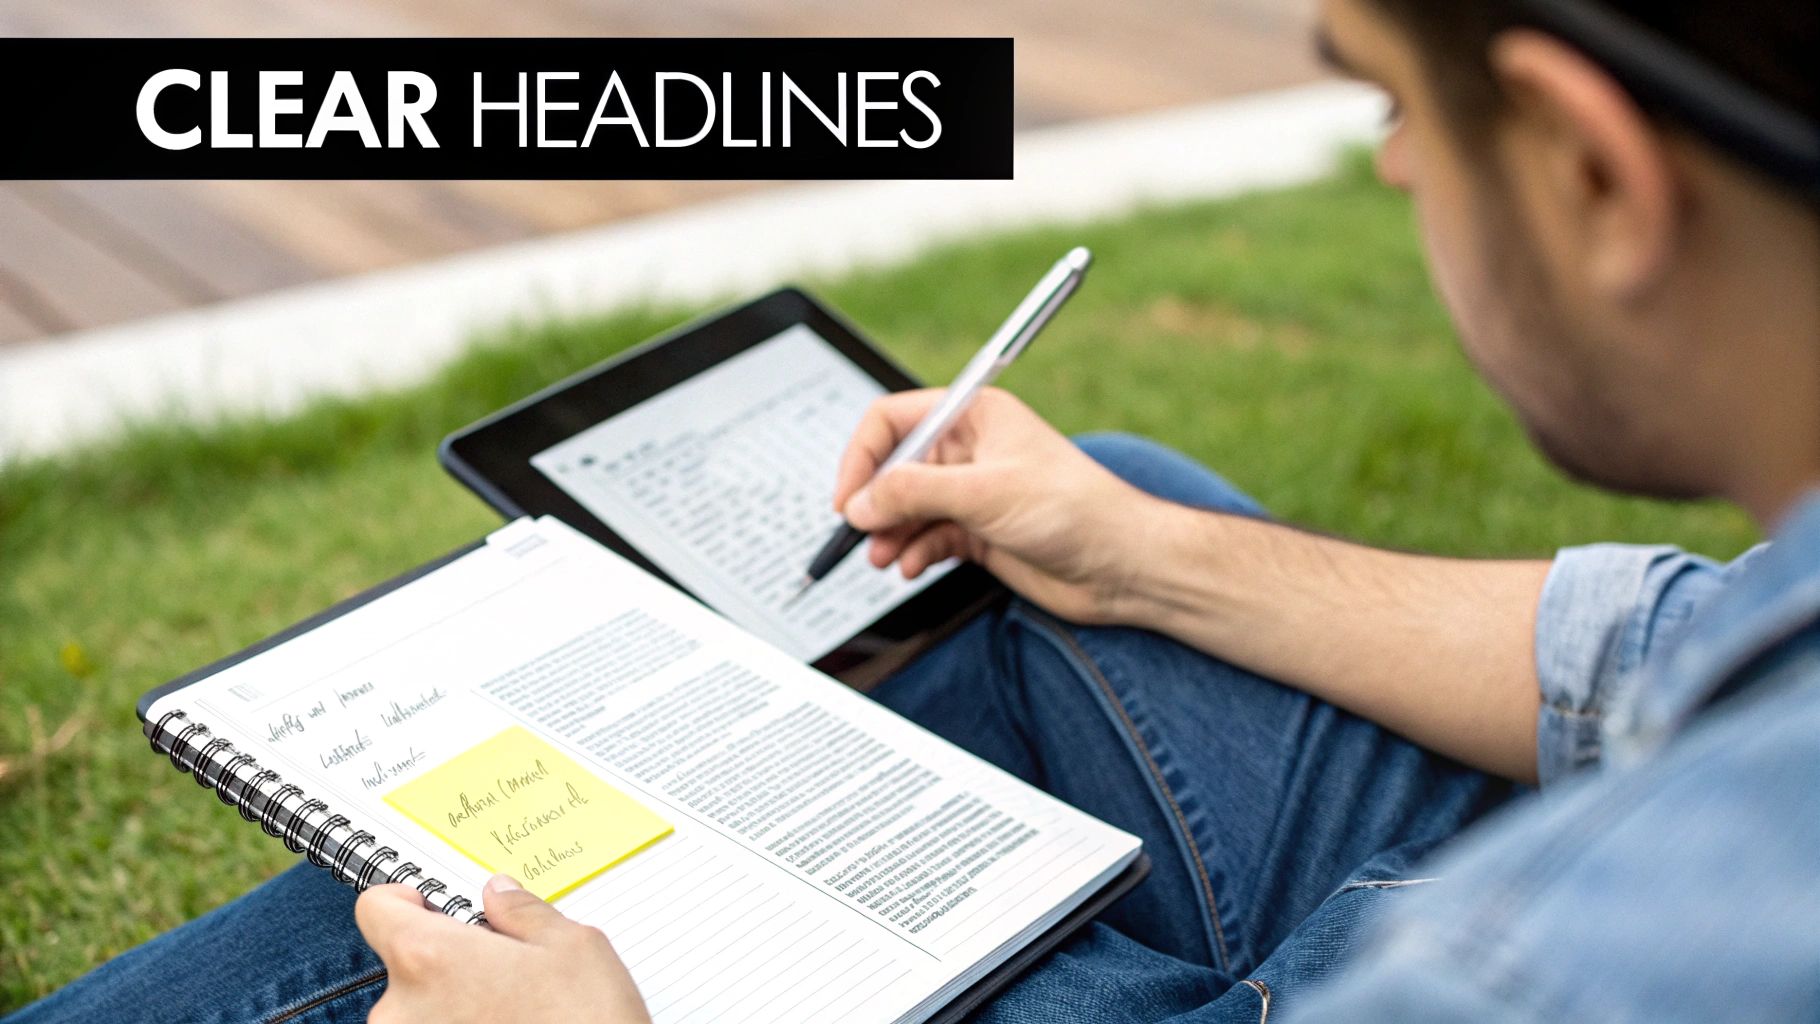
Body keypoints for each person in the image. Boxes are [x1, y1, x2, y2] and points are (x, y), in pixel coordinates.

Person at [10, 0, 1819, 1020]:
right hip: (1462, 861)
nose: (1392, 164)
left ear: (1592, 169)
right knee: (1090, 538)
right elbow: (1668, 647)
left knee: (531, 919)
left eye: (1396, 101)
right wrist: (1139, 549)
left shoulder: (1578, 966)